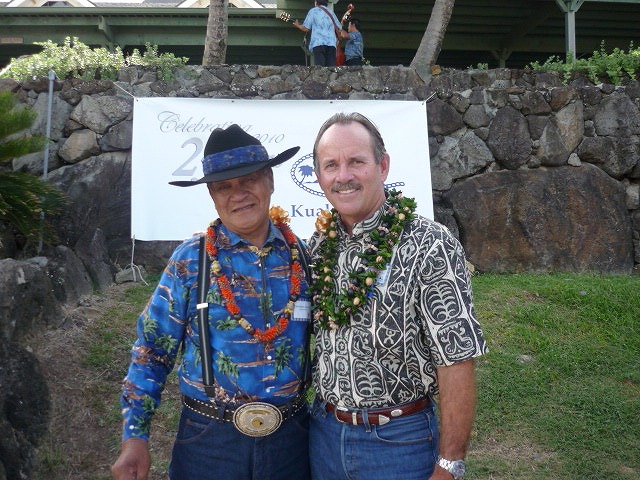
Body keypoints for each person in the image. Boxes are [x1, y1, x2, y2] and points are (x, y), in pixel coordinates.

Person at [111, 124, 312, 480]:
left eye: (249, 180)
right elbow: (151, 352)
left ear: (269, 181)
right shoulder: (191, 260)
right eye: (224, 187)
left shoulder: (303, 258)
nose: (239, 195)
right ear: (212, 195)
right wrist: (134, 437)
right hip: (209, 443)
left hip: (291, 441)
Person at [307, 112, 487, 480]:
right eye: (331, 165)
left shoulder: (430, 245)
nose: (343, 176)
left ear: (383, 165)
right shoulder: (320, 245)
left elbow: (456, 360)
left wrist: (449, 465)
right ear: (319, 175)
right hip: (323, 437)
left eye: (356, 161)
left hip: (399, 444)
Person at [292, 0, 341, 67]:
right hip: (331, 44)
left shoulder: (313, 11)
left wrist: (297, 25)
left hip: (318, 43)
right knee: (331, 68)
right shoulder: (331, 13)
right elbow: (339, 28)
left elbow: (306, 28)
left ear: (316, 2)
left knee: (320, 68)